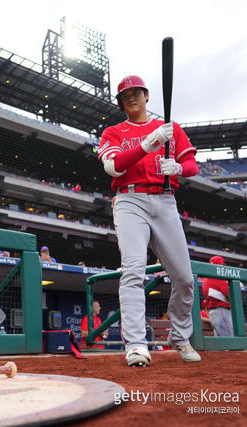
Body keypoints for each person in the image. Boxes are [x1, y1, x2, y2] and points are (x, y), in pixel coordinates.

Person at [97, 75, 201, 366]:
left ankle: (179, 337)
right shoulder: (113, 132)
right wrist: (147, 144)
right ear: (121, 103)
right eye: (125, 95)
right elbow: (113, 167)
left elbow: (192, 165)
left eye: (136, 93)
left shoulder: (169, 128)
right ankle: (135, 345)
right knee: (132, 271)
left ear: (146, 96)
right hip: (129, 200)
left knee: (184, 277)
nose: (131, 98)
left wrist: (179, 166)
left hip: (165, 200)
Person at [202, 256, 233, 336]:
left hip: (214, 312)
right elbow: (229, 294)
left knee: (221, 342)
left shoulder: (207, 277)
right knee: (230, 340)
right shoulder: (217, 277)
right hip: (221, 311)